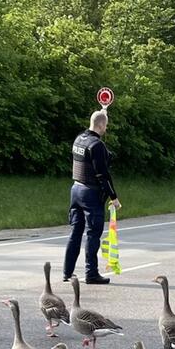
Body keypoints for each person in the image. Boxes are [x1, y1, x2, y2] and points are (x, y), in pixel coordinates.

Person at [63, 110, 121, 285]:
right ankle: (91, 274)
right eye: (106, 126)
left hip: (76, 190)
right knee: (92, 234)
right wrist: (114, 197)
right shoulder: (96, 145)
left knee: (75, 232)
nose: (106, 129)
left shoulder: (79, 140)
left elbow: (95, 160)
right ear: (101, 125)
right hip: (90, 193)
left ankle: (67, 272)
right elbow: (102, 174)